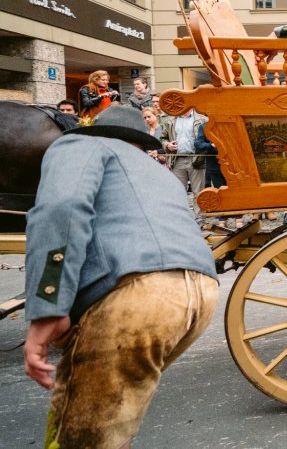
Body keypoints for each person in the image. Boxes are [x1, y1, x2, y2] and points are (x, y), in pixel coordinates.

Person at [23, 106, 218, 448]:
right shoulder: (158, 171)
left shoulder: (79, 147)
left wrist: (47, 308)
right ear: (140, 143)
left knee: (84, 439)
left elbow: (62, 210)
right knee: (109, 425)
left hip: (139, 292)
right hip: (200, 294)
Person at [161, 107, 208, 213]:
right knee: (178, 192)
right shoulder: (170, 120)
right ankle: (182, 219)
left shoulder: (202, 119)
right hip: (177, 160)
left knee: (199, 192)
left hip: (197, 159)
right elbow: (163, 138)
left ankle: (200, 219)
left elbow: (208, 138)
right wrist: (167, 145)